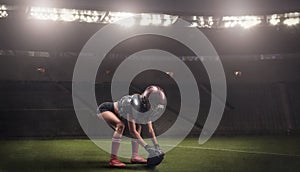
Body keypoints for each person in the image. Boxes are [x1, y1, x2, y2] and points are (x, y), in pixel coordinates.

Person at [97, 85, 166, 167]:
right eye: (154, 105)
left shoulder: (146, 107)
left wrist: (157, 146)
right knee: (120, 126)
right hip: (105, 109)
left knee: (138, 126)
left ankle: (135, 156)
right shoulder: (131, 104)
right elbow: (132, 132)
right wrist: (148, 148)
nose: (155, 107)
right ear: (147, 101)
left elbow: (150, 129)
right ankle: (113, 159)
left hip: (116, 111)